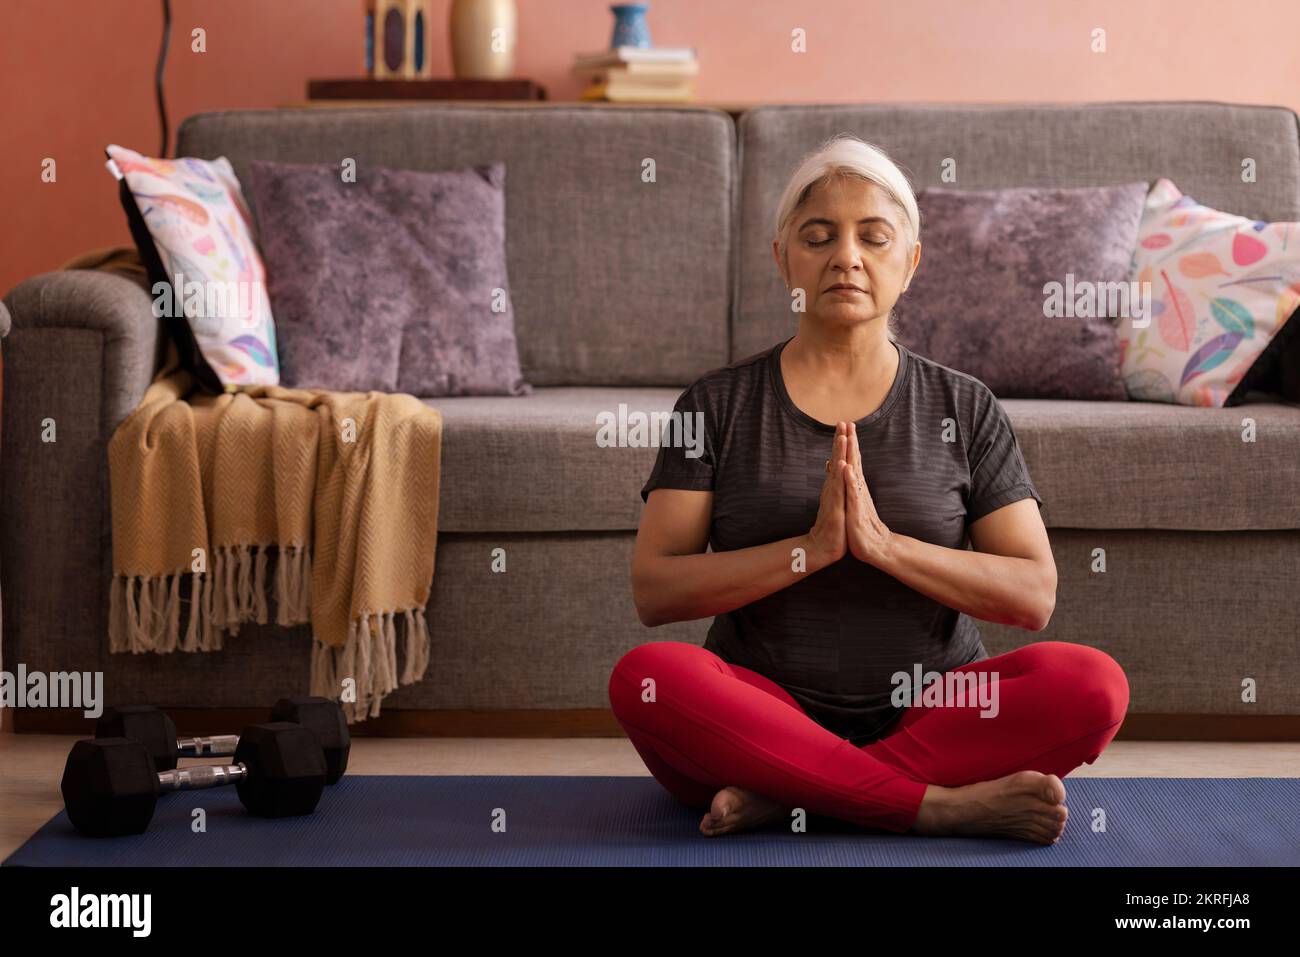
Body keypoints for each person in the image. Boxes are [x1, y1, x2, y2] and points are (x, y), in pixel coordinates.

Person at [609, 133, 1129, 843]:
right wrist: (810, 550)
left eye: (873, 237)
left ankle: (799, 791)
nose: (845, 257)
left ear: (909, 262)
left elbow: (1033, 594)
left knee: (1094, 685)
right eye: (818, 236)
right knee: (650, 678)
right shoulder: (714, 405)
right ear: (782, 258)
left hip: (932, 710)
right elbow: (654, 590)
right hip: (761, 712)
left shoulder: (965, 406)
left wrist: (883, 547)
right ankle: (932, 805)